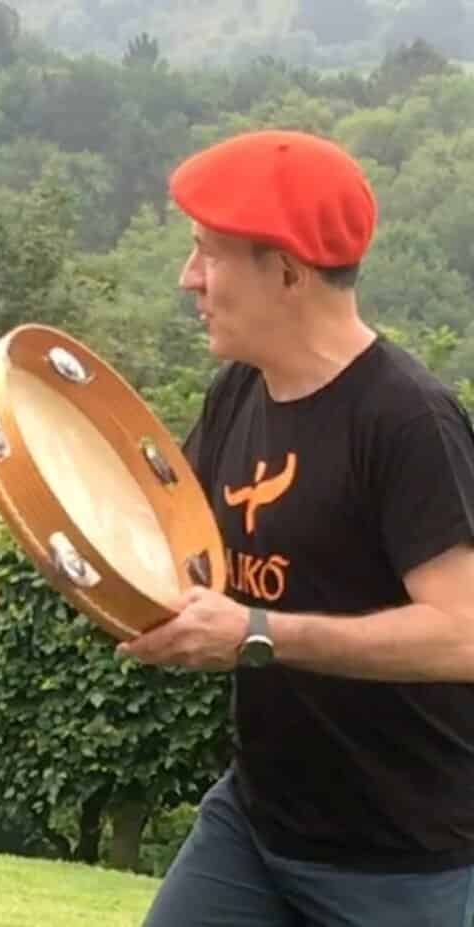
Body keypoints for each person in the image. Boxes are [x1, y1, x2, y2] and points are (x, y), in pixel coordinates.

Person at [117, 129, 474, 925]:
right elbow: (169, 537)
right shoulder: (238, 391)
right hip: (256, 822)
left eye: (209, 253)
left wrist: (258, 632)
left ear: (286, 271)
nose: (188, 277)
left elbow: (463, 634)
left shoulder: (407, 420)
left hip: (399, 859)